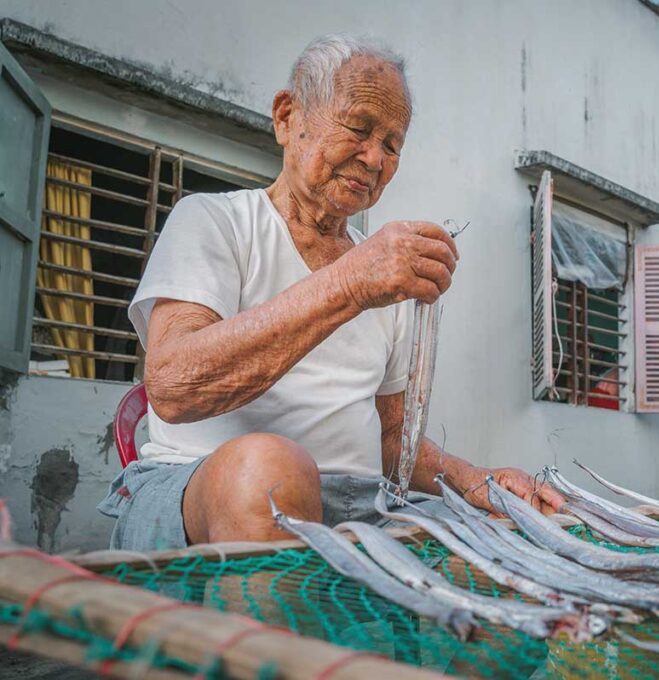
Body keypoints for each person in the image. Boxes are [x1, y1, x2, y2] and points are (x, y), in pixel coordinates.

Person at [99, 34, 563, 551]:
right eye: (359, 128)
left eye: (392, 145)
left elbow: (393, 443)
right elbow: (173, 387)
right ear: (287, 118)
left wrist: (481, 482)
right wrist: (350, 283)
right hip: (203, 489)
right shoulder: (215, 221)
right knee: (271, 472)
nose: (374, 158)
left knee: (505, 534)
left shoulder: (382, 273)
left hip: (363, 504)